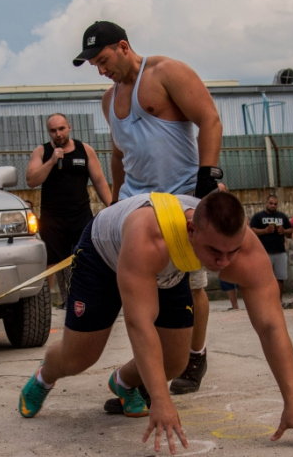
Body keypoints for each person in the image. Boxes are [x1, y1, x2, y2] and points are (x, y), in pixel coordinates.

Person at [17, 191, 293, 455]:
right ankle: (45, 377)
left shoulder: (242, 248)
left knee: (175, 362)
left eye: (231, 252)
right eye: (214, 252)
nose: (223, 263)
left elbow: (271, 326)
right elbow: (141, 324)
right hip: (104, 256)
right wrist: (162, 401)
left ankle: (124, 383)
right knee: (80, 356)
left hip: (169, 265)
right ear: (191, 230)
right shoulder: (150, 238)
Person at [74, 20, 224, 398]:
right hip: (139, 208)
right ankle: (146, 374)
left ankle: (195, 354)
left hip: (183, 202)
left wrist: (208, 177)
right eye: (94, 64)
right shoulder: (109, 101)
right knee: (142, 296)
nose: (101, 69)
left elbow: (209, 118)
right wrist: (116, 200)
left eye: (103, 59)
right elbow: (119, 153)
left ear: (123, 46)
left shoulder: (167, 72)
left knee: (192, 285)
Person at [26, 113, 112, 307]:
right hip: (53, 218)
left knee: (86, 259)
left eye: (61, 129)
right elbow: (31, 181)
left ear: (69, 128)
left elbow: (99, 181)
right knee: (51, 262)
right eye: (53, 131)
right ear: (49, 132)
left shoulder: (85, 150)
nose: (58, 134)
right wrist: (51, 162)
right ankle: (44, 306)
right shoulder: (42, 152)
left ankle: (90, 299)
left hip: (80, 215)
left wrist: (113, 207)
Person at [249, 195, 293, 300]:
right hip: (264, 252)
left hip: (280, 251)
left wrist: (284, 231)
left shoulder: (282, 216)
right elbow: (251, 231)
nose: (273, 206)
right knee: (264, 278)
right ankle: (265, 301)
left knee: (280, 277)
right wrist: (265, 231)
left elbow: (291, 231)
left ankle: (278, 300)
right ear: (266, 203)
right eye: (271, 203)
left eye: (275, 204)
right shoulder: (258, 216)